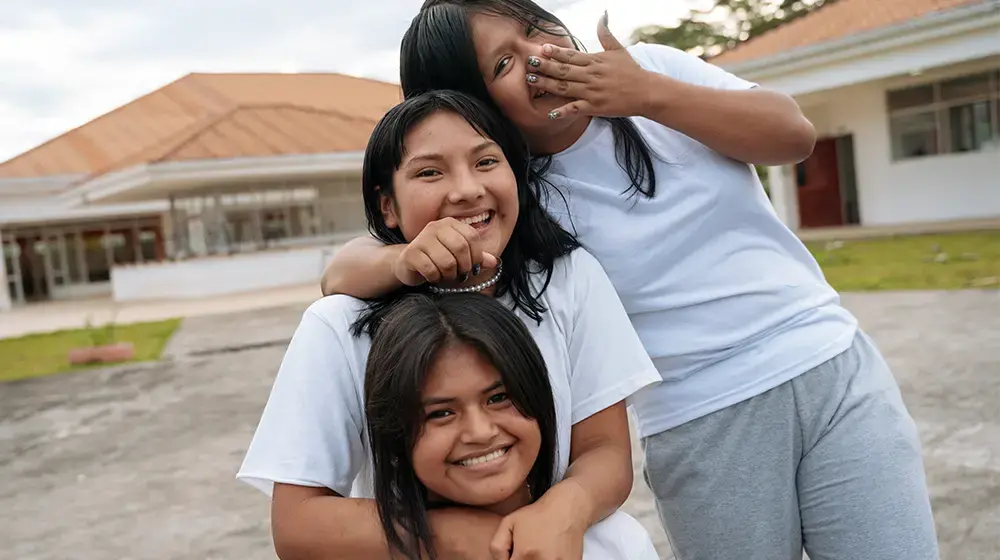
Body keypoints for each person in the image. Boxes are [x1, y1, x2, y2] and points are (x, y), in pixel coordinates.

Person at [318, 2, 940, 559]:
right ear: (472, 106)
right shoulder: (509, 194)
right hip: (703, 416)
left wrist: (646, 94)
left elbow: (792, 135)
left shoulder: (650, 72)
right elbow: (342, 272)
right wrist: (400, 261)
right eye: (506, 62)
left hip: (833, 362)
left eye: (538, 30)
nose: (541, 55)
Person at [238, 89, 662, 559]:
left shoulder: (568, 279)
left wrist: (561, 512)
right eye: (429, 172)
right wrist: (465, 537)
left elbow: (605, 452)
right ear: (387, 207)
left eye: (485, 162)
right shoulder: (341, 324)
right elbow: (299, 525)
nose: (465, 189)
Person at [364, 292, 659, 560]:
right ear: (396, 435)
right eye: (441, 413)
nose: (480, 432)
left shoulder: (619, 545)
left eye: (499, 398)